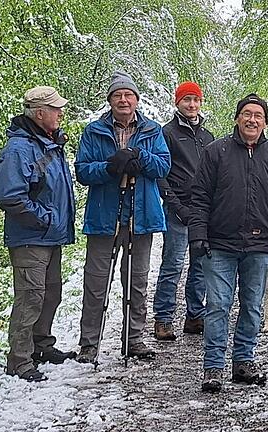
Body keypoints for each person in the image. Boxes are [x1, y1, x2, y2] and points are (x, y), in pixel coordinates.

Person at [189, 94, 268, 393]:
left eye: (258, 115)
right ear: (237, 118)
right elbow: (199, 198)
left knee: (252, 306)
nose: (252, 120)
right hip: (219, 244)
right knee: (219, 305)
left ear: (265, 122)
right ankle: (213, 367)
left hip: (260, 247)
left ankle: (243, 362)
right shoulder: (215, 152)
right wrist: (198, 235)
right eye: (246, 114)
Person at [74, 71, 171, 363]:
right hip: (104, 216)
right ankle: (89, 344)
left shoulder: (152, 130)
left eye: (128, 95)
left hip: (140, 216)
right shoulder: (94, 131)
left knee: (137, 282)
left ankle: (134, 339)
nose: (123, 100)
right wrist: (109, 167)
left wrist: (140, 158)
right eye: (117, 95)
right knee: (96, 282)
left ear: (137, 100)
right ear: (110, 100)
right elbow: (82, 171)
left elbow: (163, 167)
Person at [0, 86, 76, 382]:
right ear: (39, 113)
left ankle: (41, 346)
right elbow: (10, 196)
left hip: (49, 235)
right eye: (55, 109)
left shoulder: (47, 143)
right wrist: (45, 219)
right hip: (31, 237)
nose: (60, 113)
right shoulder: (19, 148)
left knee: (50, 293)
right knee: (30, 297)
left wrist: (53, 222)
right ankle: (19, 360)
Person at [152, 81, 215, 340]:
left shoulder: (207, 137)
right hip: (177, 209)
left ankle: (194, 316)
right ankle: (163, 319)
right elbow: (160, 175)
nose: (191, 105)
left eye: (195, 100)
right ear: (177, 103)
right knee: (173, 265)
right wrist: (175, 204)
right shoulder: (166, 134)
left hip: (203, 210)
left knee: (200, 265)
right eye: (187, 100)